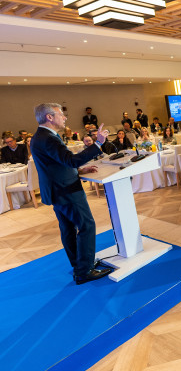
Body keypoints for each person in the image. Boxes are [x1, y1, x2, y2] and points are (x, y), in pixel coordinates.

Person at [30, 103, 113, 284]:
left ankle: (80, 264)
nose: (65, 117)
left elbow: (55, 165)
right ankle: (84, 270)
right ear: (49, 117)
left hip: (57, 190)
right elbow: (71, 160)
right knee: (86, 226)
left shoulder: (40, 136)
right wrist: (98, 142)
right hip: (66, 190)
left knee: (68, 229)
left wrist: (80, 171)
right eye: (61, 114)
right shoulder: (49, 138)